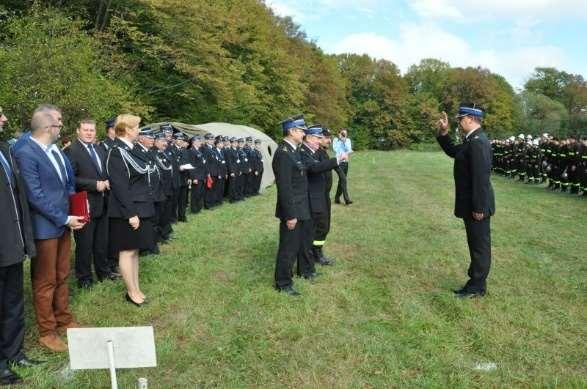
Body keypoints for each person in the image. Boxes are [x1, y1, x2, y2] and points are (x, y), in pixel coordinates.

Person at [14, 108, 85, 352]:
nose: (61, 127)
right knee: (45, 281)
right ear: (47, 128)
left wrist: (76, 209)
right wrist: (64, 218)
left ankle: (63, 319)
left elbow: (68, 183)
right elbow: (35, 196)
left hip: (65, 223)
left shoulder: (56, 150)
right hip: (46, 227)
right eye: (58, 124)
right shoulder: (26, 153)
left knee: (62, 274)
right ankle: (47, 331)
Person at [0, 107, 43, 384]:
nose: (4, 119)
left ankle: (14, 353)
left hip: (11, 243)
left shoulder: (5, 148)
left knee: (14, 302)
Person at [436, 104, 495, 298]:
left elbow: (481, 178)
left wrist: (479, 207)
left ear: (470, 119)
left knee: (479, 246)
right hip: (471, 204)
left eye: (460, 119)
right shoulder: (471, 140)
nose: (459, 122)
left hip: (477, 205)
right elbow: (454, 151)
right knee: (475, 244)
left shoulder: (478, 142)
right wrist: (443, 133)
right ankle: (475, 283)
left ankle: (477, 287)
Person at [106, 114, 156, 307]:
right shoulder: (116, 152)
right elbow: (120, 186)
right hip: (126, 210)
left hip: (140, 206)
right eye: (136, 127)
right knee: (126, 251)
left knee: (134, 251)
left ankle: (136, 288)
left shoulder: (132, 149)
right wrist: (131, 213)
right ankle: (131, 292)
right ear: (126, 129)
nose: (139, 130)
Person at [64, 119, 115, 289]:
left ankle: (103, 272)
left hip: (102, 203)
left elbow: (104, 171)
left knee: (101, 242)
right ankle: (84, 278)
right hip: (84, 205)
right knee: (85, 244)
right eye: (85, 130)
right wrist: (94, 185)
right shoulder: (72, 150)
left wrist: (107, 179)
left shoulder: (99, 148)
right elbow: (70, 179)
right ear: (78, 131)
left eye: (92, 130)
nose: (89, 133)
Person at [273, 114, 314, 296]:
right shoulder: (283, 153)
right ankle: (282, 283)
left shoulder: (293, 149)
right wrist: (290, 215)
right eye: (301, 130)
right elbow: (285, 188)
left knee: (299, 243)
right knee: (288, 248)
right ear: (291, 131)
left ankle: (298, 272)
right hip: (292, 209)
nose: (304, 133)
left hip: (301, 206)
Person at [301, 125, 345, 268]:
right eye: (324, 138)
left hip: (323, 195)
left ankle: (317, 251)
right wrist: (336, 160)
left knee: (324, 227)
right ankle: (314, 254)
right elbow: (316, 168)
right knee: (319, 226)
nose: (327, 140)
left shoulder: (322, 152)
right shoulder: (313, 152)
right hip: (316, 197)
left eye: (325, 138)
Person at [152, 132, 174, 241]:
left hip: (168, 187)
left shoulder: (163, 153)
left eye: (165, 141)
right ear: (155, 142)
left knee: (166, 212)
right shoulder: (154, 153)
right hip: (160, 189)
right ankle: (159, 236)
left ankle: (165, 232)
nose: (165, 143)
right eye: (162, 141)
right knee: (159, 213)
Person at [332, 129, 353, 205]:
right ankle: (347, 199)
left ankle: (337, 198)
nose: (344, 135)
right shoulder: (335, 140)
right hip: (338, 163)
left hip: (345, 163)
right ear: (339, 133)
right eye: (342, 133)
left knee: (341, 181)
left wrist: (344, 141)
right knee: (343, 179)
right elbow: (335, 149)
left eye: (345, 134)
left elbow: (349, 149)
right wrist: (340, 140)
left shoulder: (347, 140)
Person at [187, 135, 207, 213]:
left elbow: (202, 164)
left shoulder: (199, 150)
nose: (200, 143)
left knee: (200, 193)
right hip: (196, 176)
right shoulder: (191, 151)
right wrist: (194, 177)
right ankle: (194, 209)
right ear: (194, 142)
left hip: (201, 175)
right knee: (195, 193)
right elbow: (191, 165)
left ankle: (199, 207)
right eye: (198, 141)